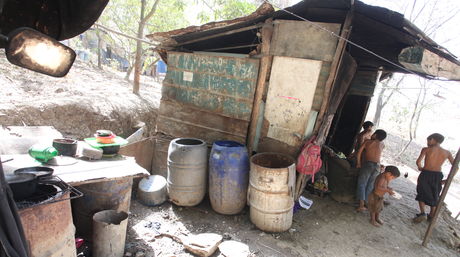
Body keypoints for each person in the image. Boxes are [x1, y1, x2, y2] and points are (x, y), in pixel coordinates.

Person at [413, 133, 454, 223]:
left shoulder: (426, 149)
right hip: (437, 175)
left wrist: (420, 168)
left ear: (433, 140)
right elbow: (456, 167)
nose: (427, 142)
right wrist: (447, 180)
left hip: (426, 173)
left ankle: (423, 213)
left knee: (421, 192)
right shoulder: (447, 153)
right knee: (434, 194)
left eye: (428, 140)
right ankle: (431, 216)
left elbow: (418, 162)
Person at [356, 129, 387, 212]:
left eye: (373, 134)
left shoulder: (367, 142)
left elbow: (359, 153)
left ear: (375, 135)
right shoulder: (382, 144)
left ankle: (361, 205)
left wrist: (358, 163)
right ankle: (366, 202)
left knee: (362, 183)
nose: (372, 135)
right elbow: (378, 154)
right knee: (370, 185)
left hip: (368, 165)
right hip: (377, 166)